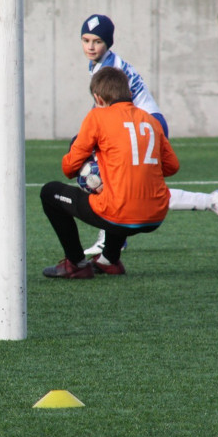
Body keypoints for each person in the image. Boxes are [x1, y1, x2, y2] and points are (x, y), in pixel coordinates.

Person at [77, 14, 218, 257]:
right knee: (135, 189)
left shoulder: (108, 68)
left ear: (108, 42)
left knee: (140, 192)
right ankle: (212, 200)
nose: (90, 46)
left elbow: (108, 110)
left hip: (141, 126)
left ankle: (211, 200)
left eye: (97, 41)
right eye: (85, 40)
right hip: (138, 124)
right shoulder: (103, 63)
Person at [41, 66, 179, 278]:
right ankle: (109, 260)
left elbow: (68, 169)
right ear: (128, 93)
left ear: (98, 98)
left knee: (50, 192)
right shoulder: (150, 120)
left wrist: (82, 152)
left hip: (119, 212)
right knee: (117, 191)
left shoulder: (98, 117)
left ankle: (77, 264)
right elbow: (172, 167)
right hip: (156, 214)